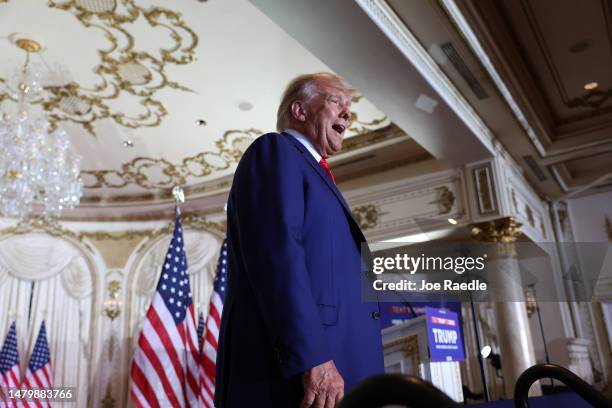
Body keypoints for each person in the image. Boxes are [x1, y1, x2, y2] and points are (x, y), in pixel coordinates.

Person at [215, 73, 383, 408]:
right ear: (300, 111)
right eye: (336, 101)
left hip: (340, 366)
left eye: (349, 107)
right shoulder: (276, 151)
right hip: (295, 377)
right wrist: (311, 356)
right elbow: (276, 256)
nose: (347, 114)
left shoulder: (318, 176)